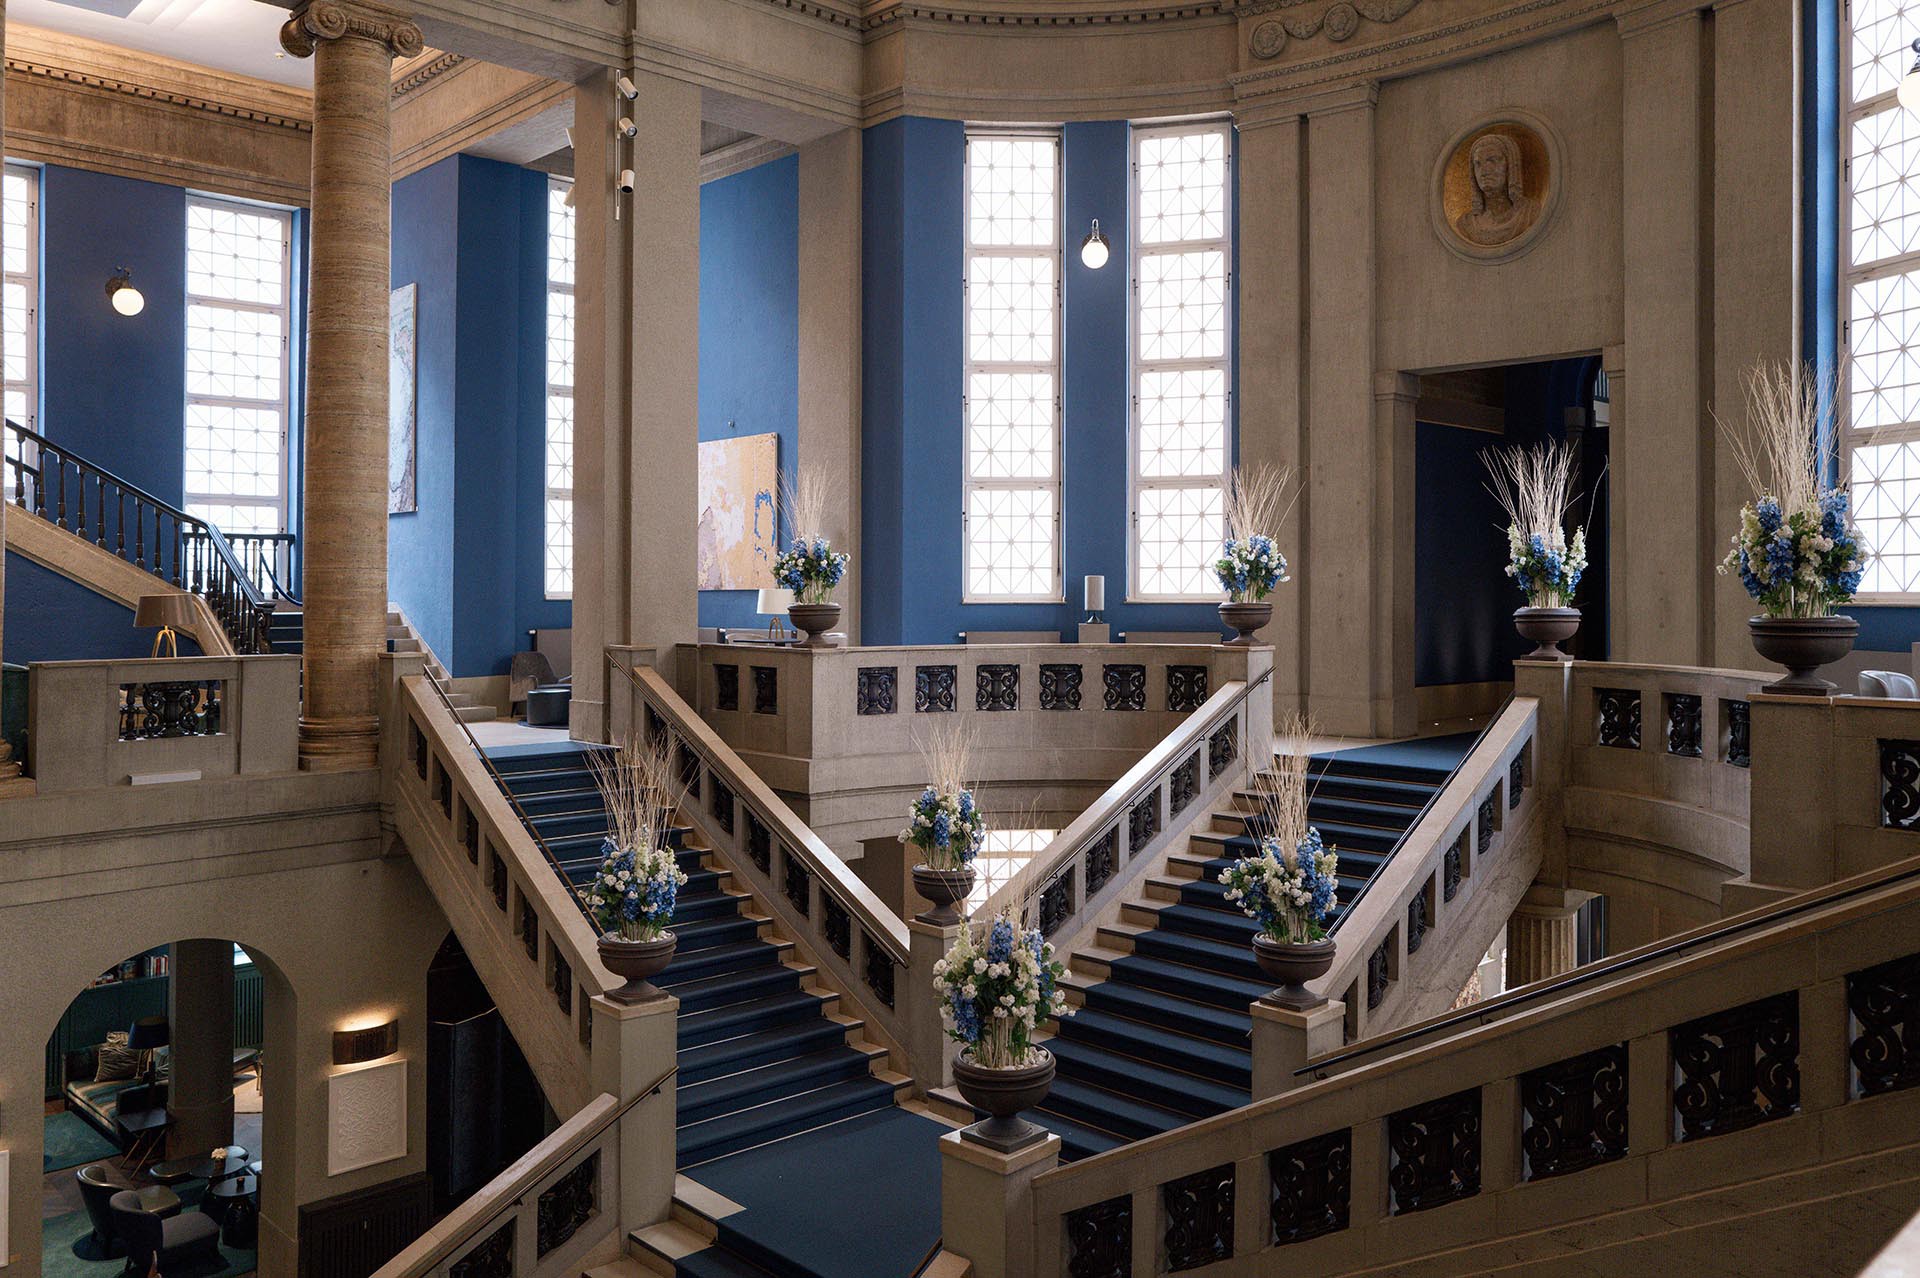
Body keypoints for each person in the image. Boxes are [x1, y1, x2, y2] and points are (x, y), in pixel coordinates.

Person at [1454, 131, 1540, 247]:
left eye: (1492, 161)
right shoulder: (1465, 225)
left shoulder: (1530, 213)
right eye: (1478, 164)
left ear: (1510, 166)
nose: (1484, 171)